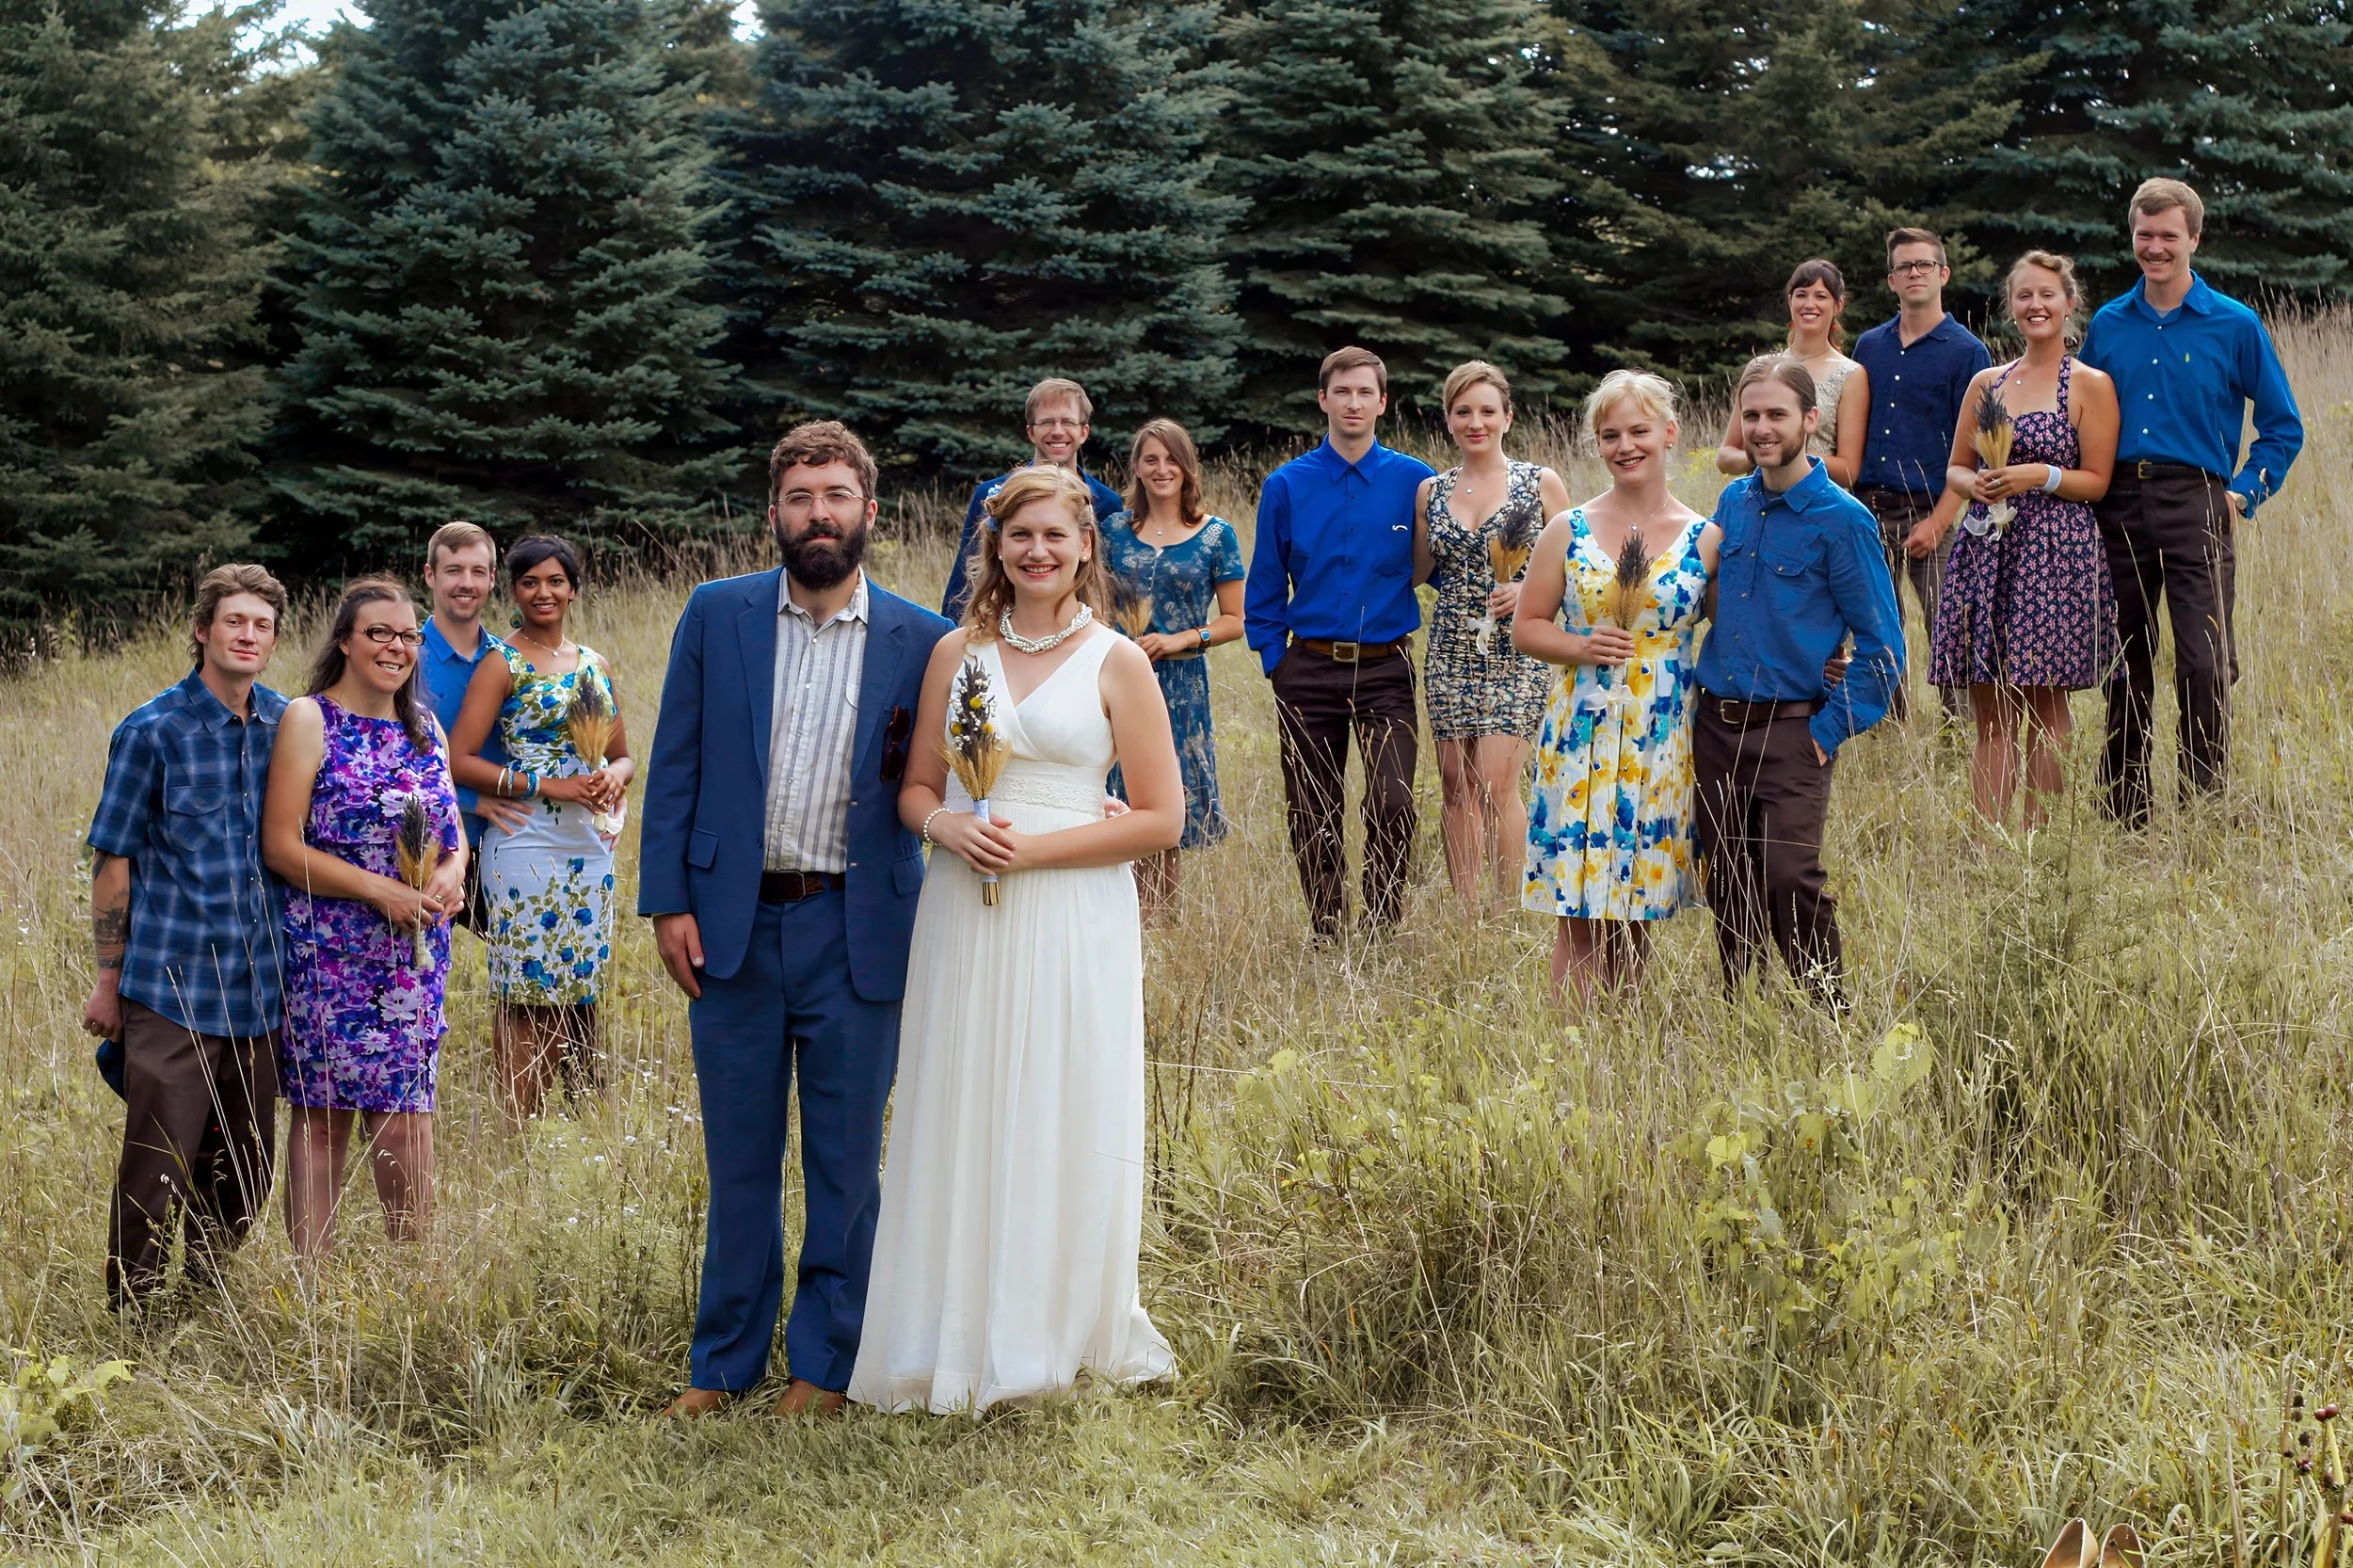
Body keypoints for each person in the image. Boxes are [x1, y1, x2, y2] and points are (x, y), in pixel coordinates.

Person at [849, 464, 1183, 1415]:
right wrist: (943, 826)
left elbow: (1161, 817)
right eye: (1018, 535)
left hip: (1072, 905)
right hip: (962, 898)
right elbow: (917, 786)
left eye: (1055, 536)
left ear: (1085, 548)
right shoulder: (960, 651)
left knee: (1056, 1096)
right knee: (964, 1093)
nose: (1036, 551)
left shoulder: (1117, 660)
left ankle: (1050, 1329)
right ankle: (944, 1326)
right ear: (993, 546)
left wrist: (1035, 852)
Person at [639, 421, 951, 1418]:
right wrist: (668, 902)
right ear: (773, 512)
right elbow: (675, 763)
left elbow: (958, 772)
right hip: (730, 928)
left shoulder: (921, 640)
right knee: (738, 1160)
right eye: (801, 497)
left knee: (845, 1163)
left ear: (872, 512)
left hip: (858, 931)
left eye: (837, 496)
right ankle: (721, 1364)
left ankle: (826, 1365)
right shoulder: (715, 615)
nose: (819, 513)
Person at [83, 565, 290, 1308]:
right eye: (233, 621)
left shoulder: (286, 724)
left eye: (262, 625)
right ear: (202, 630)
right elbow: (113, 859)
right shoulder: (151, 730)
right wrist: (109, 980)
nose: (248, 635)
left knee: (246, 1165)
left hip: (260, 990)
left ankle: (204, 1302)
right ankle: (131, 1313)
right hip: (171, 986)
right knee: (155, 1165)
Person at [2080, 177, 2304, 824]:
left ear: (2194, 240)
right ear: (2132, 237)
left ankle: (2203, 805)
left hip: (2198, 501)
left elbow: (2283, 426)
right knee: (2125, 659)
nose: (2155, 248)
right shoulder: (2108, 324)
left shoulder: (2235, 324)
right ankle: (2126, 809)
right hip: (2117, 504)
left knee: (2206, 661)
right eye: (2144, 236)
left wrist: (2243, 492)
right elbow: (2084, 416)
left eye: (2168, 236)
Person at [1693, 355, 1904, 1008]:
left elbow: (1883, 646)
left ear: (1810, 421)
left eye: (1776, 415)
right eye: (1751, 415)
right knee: (1727, 874)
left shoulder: (1842, 520)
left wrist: (1828, 730)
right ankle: (1742, 1003)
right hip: (1717, 724)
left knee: (1790, 874)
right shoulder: (1734, 500)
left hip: (1793, 730)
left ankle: (1829, 1010)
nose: (1762, 428)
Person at [262, 578, 464, 1257]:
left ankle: (413, 1272)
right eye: (379, 632)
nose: (396, 647)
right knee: (323, 1119)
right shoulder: (309, 719)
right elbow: (282, 846)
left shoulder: (426, 728)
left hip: (415, 956)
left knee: (407, 1118)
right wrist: (380, 892)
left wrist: (450, 874)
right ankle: (309, 1284)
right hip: (331, 952)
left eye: (408, 636)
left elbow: (453, 832)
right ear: (345, 641)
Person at [1516, 371, 1715, 1002]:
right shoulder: (1568, 529)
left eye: (1638, 430)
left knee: (1636, 907)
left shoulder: (1706, 538)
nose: (1626, 444)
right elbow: (1526, 626)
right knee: (1577, 906)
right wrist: (1580, 646)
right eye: (1610, 435)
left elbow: (1742, 632)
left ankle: (1621, 1046)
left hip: (1662, 737)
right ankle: (1570, 1051)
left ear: (1668, 433)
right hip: (1581, 733)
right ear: (1597, 445)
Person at [1243, 345, 1437, 940]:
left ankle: (1381, 925)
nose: (1353, 403)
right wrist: (1279, 663)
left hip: (1387, 668)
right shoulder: (1287, 485)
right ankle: (1328, 927)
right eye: (1342, 392)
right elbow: (1267, 584)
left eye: (1365, 393)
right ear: (1322, 399)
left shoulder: (1416, 483)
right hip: (1309, 668)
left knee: (1394, 802)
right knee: (1312, 808)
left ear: (1383, 402)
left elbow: (1442, 563)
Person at [1933, 252, 2121, 827]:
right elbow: (1955, 470)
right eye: (2024, 297)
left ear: (2069, 303)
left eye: (2047, 295)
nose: (2035, 306)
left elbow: (2097, 482)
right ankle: (1989, 847)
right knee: (1989, 708)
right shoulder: (1987, 383)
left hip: (2056, 554)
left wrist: (2039, 474)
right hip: (1987, 548)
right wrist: (1980, 483)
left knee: (2045, 702)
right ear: (2010, 307)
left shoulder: (2089, 384)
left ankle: (2036, 846)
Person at [447, 536, 630, 1119]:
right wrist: (548, 786)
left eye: (555, 581)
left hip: (591, 842)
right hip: (525, 839)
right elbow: (459, 758)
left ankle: (569, 1113)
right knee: (524, 986)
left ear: (573, 589)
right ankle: (519, 1122)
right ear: (515, 591)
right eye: (530, 582)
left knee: (577, 980)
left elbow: (624, 754)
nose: (543, 592)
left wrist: (616, 779)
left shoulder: (596, 663)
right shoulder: (504, 663)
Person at [1414, 360, 1573, 914]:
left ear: (1507, 416)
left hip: (1517, 648)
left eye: (1487, 411)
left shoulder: (1539, 481)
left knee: (1496, 780)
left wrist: (1529, 586)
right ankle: (1467, 914)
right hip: (1451, 648)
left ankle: (1509, 911)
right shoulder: (1431, 491)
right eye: (1463, 412)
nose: (1475, 422)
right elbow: (1412, 570)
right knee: (1456, 783)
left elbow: (1579, 564)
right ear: (1449, 420)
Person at [1099, 418, 1246, 922]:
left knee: (1165, 798)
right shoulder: (1114, 530)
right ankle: (1112, 914)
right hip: (1114, 677)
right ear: (1136, 468)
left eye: (1172, 459)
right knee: (1111, 791)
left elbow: (1235, 621)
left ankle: (1159, 922)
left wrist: (1183, 638)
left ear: (1187, 467)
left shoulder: (1215, 535)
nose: (1162, 469)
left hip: (1179, 684)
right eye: (1150, 459)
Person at [1850, 227, 1992, 721]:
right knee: (1878, 629)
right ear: (1891, 280)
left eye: (1924, 265)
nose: (1914, 273)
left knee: (1949, 626)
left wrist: (1939, 521)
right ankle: (1889, 731)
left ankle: (1961, 730)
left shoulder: (1968, 352)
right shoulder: (1869, 347)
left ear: (1943, 274)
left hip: (1932, 510)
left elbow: (1976, 452)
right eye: (1904, 267)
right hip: (1868, 509)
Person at [939, 376, 1126, 620]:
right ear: (1031, 432)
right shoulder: (993, 494)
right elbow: (966, 579)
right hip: (1003, 626)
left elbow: (1107, 583)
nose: (1058, 431)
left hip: (1079, 630)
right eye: (1047, 422)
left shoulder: (1106, 502)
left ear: (1084, 432)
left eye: (1068, 422)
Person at [416, 521, 527, 918]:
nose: (467, 583)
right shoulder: (403, 659)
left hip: (507, 840)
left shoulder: (510, 662)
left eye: (478, 572)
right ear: (430, 575)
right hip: (428, 846)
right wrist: (471, 800)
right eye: (453, 570)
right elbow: (386, 764)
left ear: (493, 579)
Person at [1719, 260, 1869, 488]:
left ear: (1838, 305)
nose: (1810, 304)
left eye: (1820, 296)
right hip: (1759, 498)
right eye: (1801, 295)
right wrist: (1762, 453)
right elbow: (1725, 458)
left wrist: (1790, 456)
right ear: (1790, 302)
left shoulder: (1851, 375)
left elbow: (1848, 470)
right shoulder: (1760, 367)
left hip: (1816, 503)